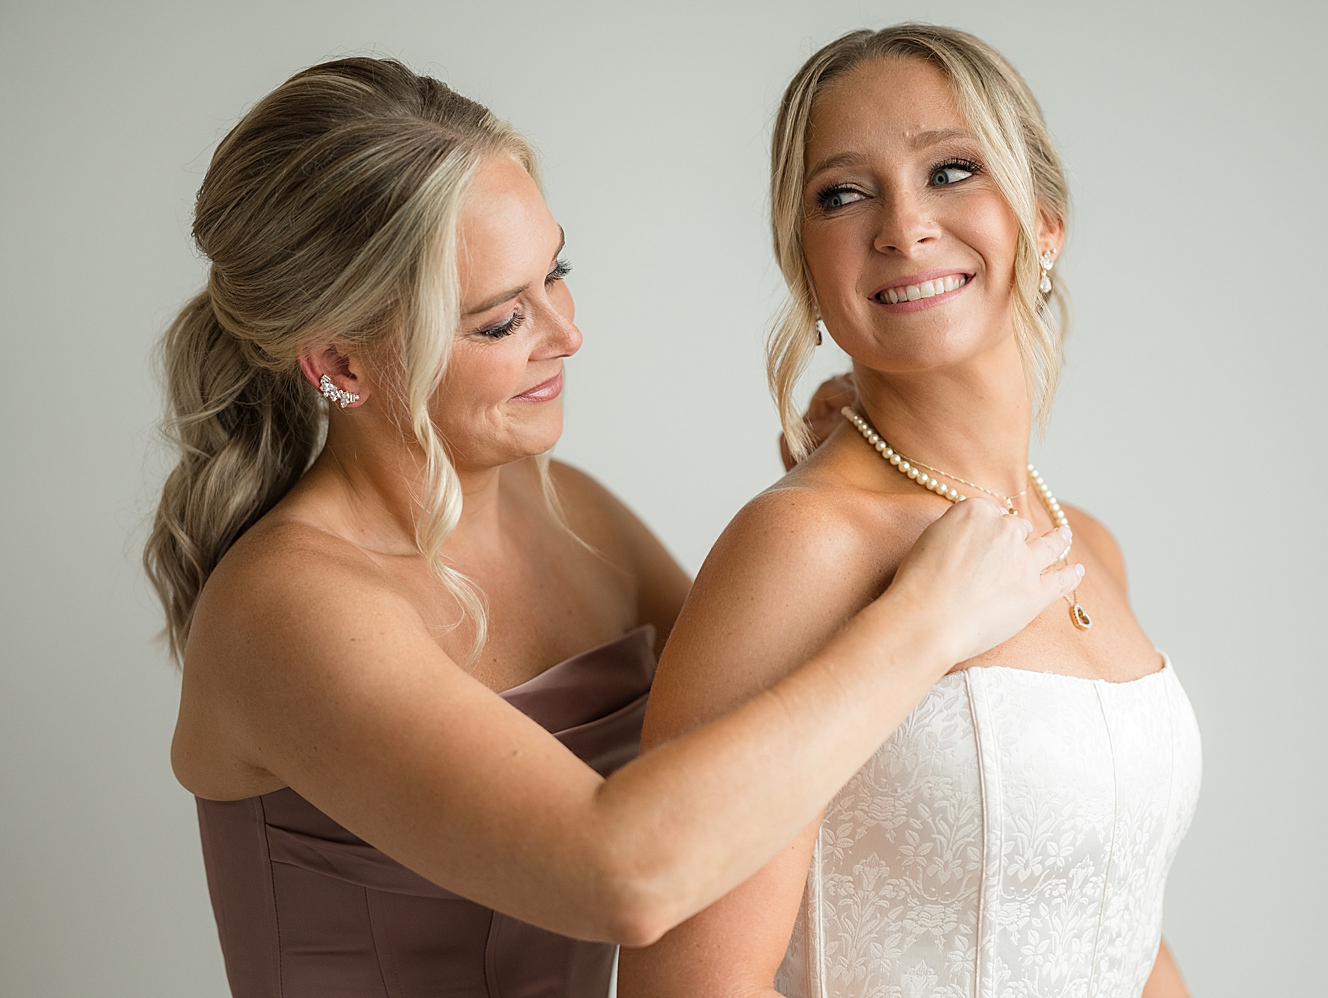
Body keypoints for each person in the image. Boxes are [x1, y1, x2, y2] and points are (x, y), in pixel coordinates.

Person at [144, 56, 1083, 998]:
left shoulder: (571, 513)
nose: (565, 334)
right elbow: (625, 877)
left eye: (556, 273)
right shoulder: (286, 608)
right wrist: (919, 625)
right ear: (341, 360)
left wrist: (853, 515)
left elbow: (766, 731)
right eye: (500, 321)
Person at [619, 25, 1200, 998]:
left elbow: (1123, 929)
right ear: (804, 266)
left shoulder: (1087, 542)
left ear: (1044, 221)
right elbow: (686, 981)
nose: (902, 225)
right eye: (842, 195)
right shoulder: (801, 544)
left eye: (951, 169)